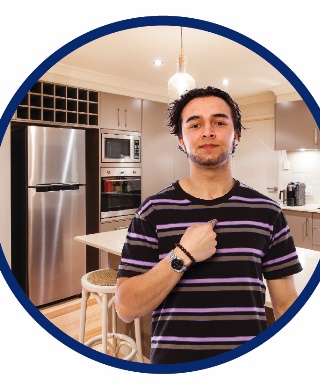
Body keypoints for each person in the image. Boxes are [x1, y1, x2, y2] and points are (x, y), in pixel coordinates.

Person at [115, 86, 302, 364]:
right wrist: (182, 255)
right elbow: (127, 307)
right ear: (181, 139)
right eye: (195, 124)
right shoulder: (152, 211)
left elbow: (286, 304)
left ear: (236, 135)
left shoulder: (267, 211)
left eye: (219, 122)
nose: (207, 131)